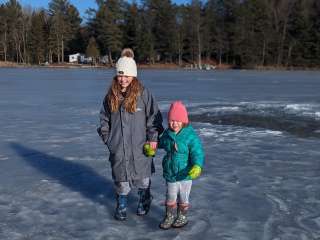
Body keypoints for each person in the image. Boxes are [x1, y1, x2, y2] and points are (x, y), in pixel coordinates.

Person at [97, 48, 163, 221]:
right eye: (120, 75)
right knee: (121, 181)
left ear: (133, 75)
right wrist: (109, 139)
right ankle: (122, 202)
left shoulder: (143, 94)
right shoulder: (111, 96)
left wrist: (153, 139)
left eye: (127, 75)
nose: (123, 79)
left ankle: (144, 197)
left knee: (143, 179)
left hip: (141, 147)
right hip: (119, 146)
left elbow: (154, 119)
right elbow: (104, 120)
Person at [158, 101, 205, 229]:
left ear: (184, 121)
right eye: (172, 120)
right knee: (170, 196)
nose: (174, 123)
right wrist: (150, 147)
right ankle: (169, 216)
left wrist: (197, 166)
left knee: (183, 197)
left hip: (185, 174)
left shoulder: (190, 137)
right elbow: (159, 143)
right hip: (170, 173)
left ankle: (182, 216)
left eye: (178, 120)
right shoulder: (167, 134)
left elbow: (197, 153)